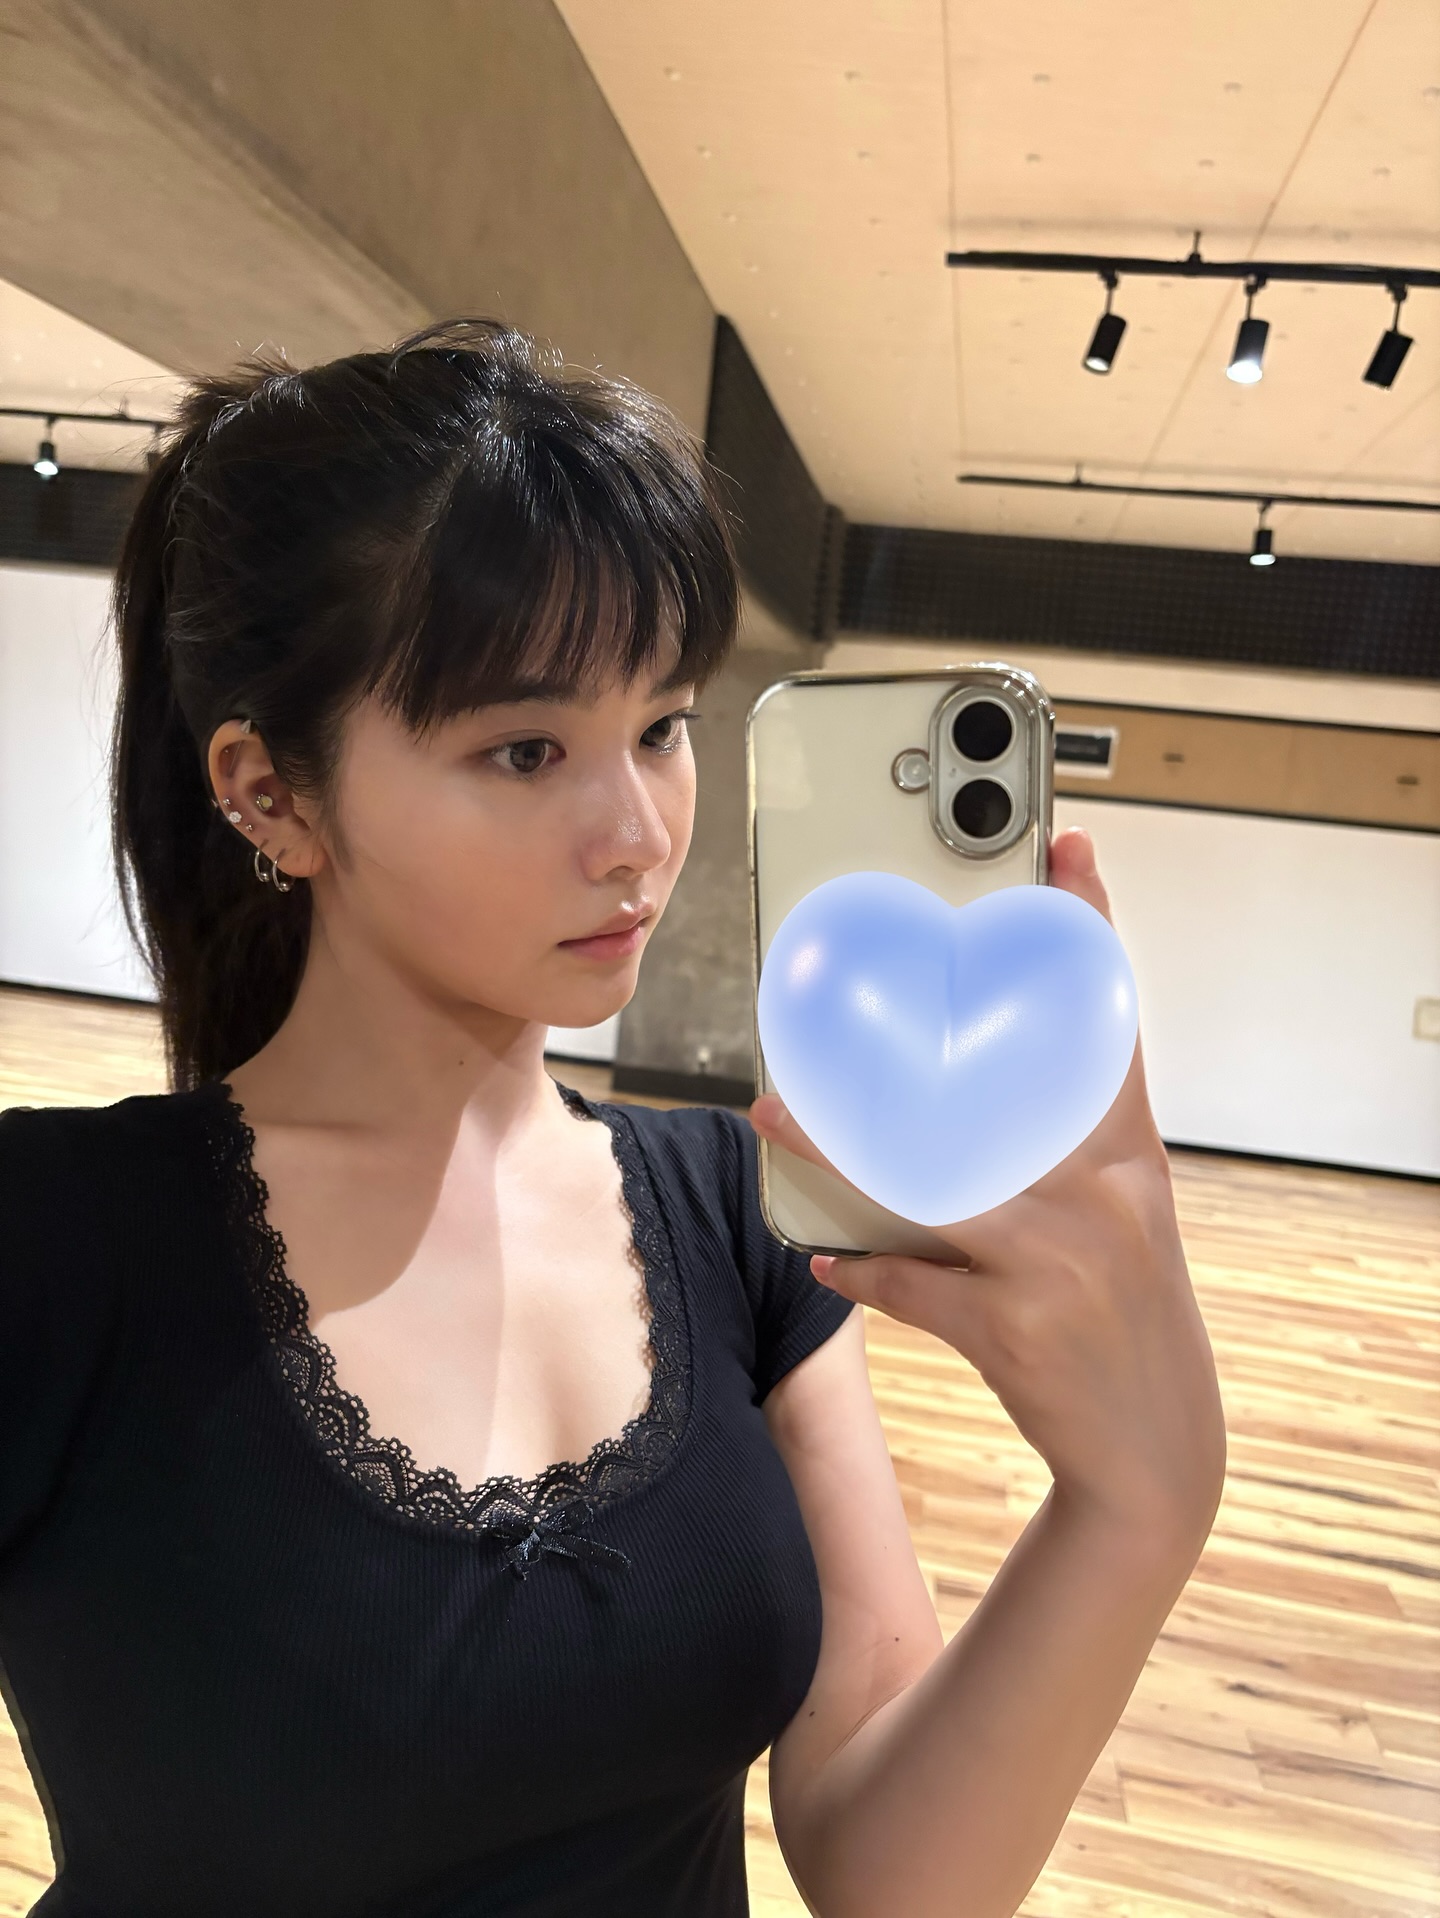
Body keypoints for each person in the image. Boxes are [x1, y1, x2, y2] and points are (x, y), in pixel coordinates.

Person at [0, 319, 1225, 1918]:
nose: (638, 832)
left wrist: (1139, 1500)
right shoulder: (57, 1243)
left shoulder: (736, 1204)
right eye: (527, 749)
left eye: (662, 724)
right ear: (272, 794)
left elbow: (892, 1878)